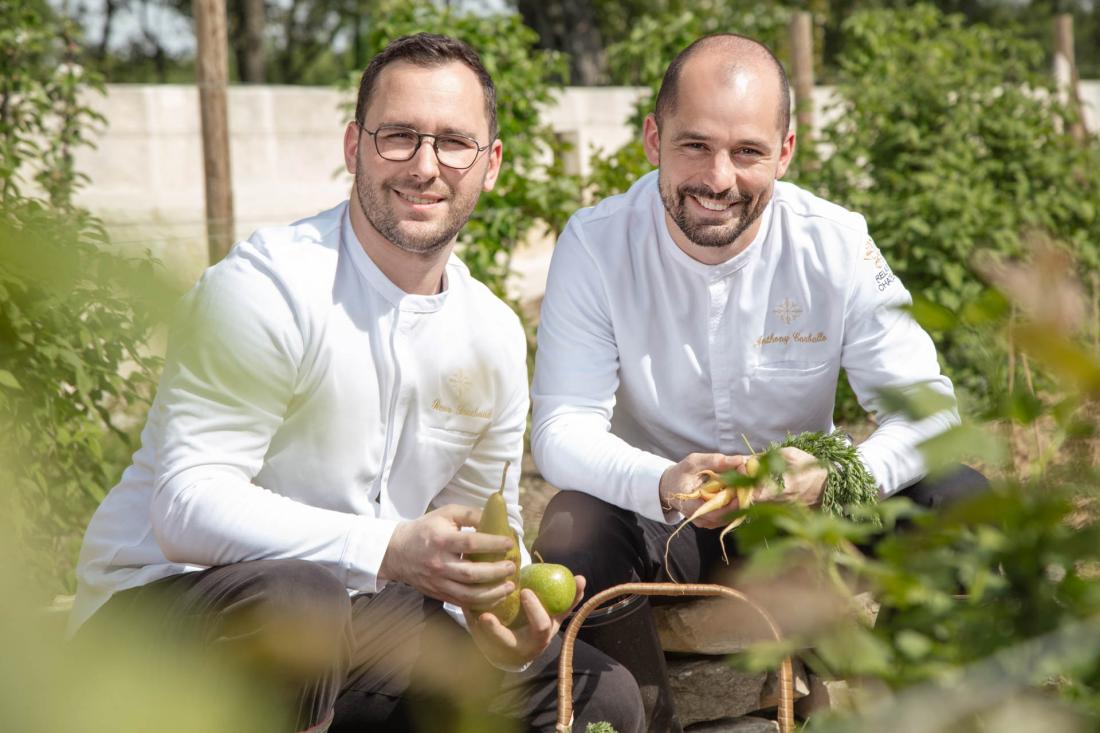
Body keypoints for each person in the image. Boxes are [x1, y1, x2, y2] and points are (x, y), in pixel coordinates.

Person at [70, 33, 642, 733]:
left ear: (490, 164)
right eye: (398, 137)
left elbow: (482, 526)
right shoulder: (266, 289)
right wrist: (389, 547)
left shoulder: (490, 334)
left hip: (349, 625)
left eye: (454, 142)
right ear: (354, 148)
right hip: (166, 616)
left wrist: (494, 612)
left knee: (593, 696)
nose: (426, 166)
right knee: (297, 604)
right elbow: (186, 505)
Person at [530, 33, 988, 731]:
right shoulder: (596, 244)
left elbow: (930, 408)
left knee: (958, 495)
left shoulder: (833, 241)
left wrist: (835, 476)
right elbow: (562, 428)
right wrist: (660, 481)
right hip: (665, 523)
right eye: (694, 145)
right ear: (653, 138)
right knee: (571, 524)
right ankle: (646, 716)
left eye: (747, 151)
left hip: (806, 519)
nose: (718, 178)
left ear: (786, 151)